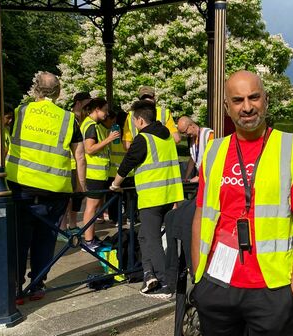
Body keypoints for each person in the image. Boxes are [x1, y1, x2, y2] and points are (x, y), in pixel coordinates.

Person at [191, 70, 293, 336]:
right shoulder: (214, 152)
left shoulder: (291, 150)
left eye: (253, 97)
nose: (247, 107)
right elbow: (201, 215)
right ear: (227, 107)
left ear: (265, 100)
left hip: (271, 286)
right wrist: (198, 276)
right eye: (238, 100)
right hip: (219, 282)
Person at [5, 72, 87, 302]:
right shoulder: (69, 119)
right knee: (46, 239)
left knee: (19, 239)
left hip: (21, 186)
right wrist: (80, 187)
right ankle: (38, 283)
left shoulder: (20, 112)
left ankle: (15, 288)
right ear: (59, 92)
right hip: (54, 189)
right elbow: (79, 156)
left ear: (35, 91)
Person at [110, 100, 183, 298]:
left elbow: (127, 164)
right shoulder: (167, 137)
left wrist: (115, 184)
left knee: (152, 240)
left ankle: (166, 284)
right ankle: (149, 275)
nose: (133, 123)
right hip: (170, 193)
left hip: (152, 196)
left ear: (140, 120)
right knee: (145, 236)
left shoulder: (143, 139)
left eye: (133, 120)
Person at [80, 97, 119, 251]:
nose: (106, 113)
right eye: (105, 110)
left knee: (95, 207)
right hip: (93, 174)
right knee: (91, 207)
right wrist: (109, 139)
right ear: (97, 109)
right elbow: (89, 149)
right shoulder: (90, 126)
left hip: (98, 173)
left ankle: (91, 237)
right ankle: (88, 241)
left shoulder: (94, 125)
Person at [58, 92, 91, 242]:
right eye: (86, 104)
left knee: (77, 198)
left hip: (82, 164)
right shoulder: (69, 118)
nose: (88, 108)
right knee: (67, 198)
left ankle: (72, 225)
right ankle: (63, 228)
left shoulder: (85, 120)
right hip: (70, 163)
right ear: (78, 103)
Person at [176, 116, 213, 182]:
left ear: (191, 125)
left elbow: (212, 158)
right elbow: (193, 158)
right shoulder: (192, 139)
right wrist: (186, 177)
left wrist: (198, 176)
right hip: (202, 176)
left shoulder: (209, 134)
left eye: (185, 132)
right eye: (183, 133)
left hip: (210, 176)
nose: (186, 135)